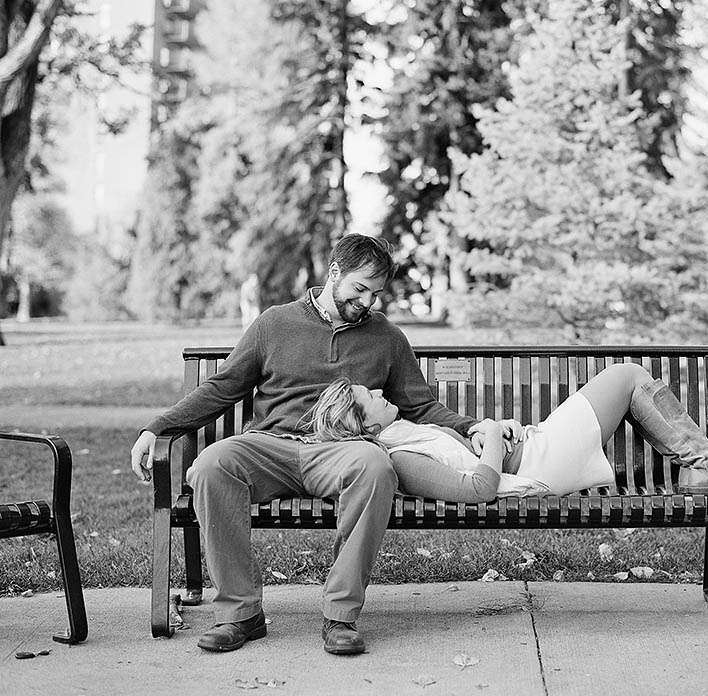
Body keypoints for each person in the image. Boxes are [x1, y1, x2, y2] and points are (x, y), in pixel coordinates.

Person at [130, 234, 492, 656]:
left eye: (375, 294)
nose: (367, 303)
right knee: (213, 464)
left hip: (340, 450)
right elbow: (222, 387)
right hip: (271, 445)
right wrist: (156, 427)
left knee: (375, 467)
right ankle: (240, 613)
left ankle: (340, 615)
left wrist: (471, 428)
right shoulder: (275, 323)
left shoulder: (385, 337)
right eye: (360, 289)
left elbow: (421, 404)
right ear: (334, 273)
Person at [303, 366, 708, 503]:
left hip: (534, 445)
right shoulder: (398, 459)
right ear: (363, 427)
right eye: (370, 398)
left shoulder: (402, 434)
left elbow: (463, 451)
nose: (381, 392)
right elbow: (480, 489)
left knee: (626, 378)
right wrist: (489, 436)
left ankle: (703, 469)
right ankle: (704, 468)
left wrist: (488, 431)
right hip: (540, 461)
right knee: (627, 377)